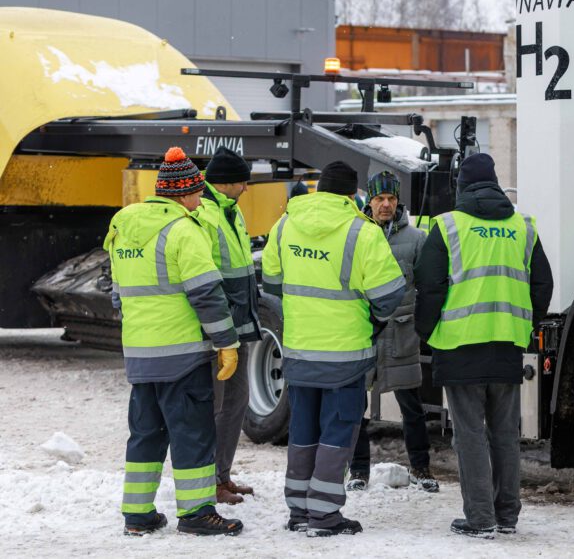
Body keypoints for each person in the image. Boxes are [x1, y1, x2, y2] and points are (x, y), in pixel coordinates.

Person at [105, 146, 244, 537]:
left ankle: (138, 514)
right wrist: (226, 343)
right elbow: (206, 295)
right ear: (183, 193)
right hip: (182, 356)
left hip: (140, 356)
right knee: (193, 433)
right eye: (198, 193)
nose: (201, 200)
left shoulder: (123, 225)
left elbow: (117, 294)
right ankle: (198, 512)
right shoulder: (183, 230)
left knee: (146, 433)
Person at [263, 161, 406, 537]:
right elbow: (390, 296)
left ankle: (299, 511)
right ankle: (324, 516)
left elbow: (272, 283)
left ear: (319, 188)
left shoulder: (285, 225)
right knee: (337, 432)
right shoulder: (363, 232)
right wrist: (371, 321)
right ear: (352, 194)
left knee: (303, 429)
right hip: (345, 354)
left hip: (298, 351)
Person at [414, 153, 554, 538]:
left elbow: (429, 286)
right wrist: (526, 325)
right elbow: (542, 283)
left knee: (470, 434)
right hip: (507, 343)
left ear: (461, 186)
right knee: (505, 434)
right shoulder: (523, 226)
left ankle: (480, 518)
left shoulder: (448, 227)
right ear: (494, 183)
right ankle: (507, 515)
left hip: (459, 345)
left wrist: (425, 330)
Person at [347, 171, 439, 494]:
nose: (385, 204)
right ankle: (357, 470)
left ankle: (421, 467)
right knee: (355, 405)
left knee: (412, 406)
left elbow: (428, 286)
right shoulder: (355, 234)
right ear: (369, 200)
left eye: (391, 199)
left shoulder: (415, 239)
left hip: (402, 335)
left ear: (398, 201)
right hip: (365, 333)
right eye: (379, 199)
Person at [191, 146, 260, 505]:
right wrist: (216, 330)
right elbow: (202, 275)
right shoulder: (205, 213)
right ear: (226, 183)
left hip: (238, 323)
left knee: (237, 400)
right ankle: (209, 482)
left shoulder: (231, 211)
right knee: (216, 406)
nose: (247, 188)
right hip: (217, 329)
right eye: (243, 182)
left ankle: (223, 475)